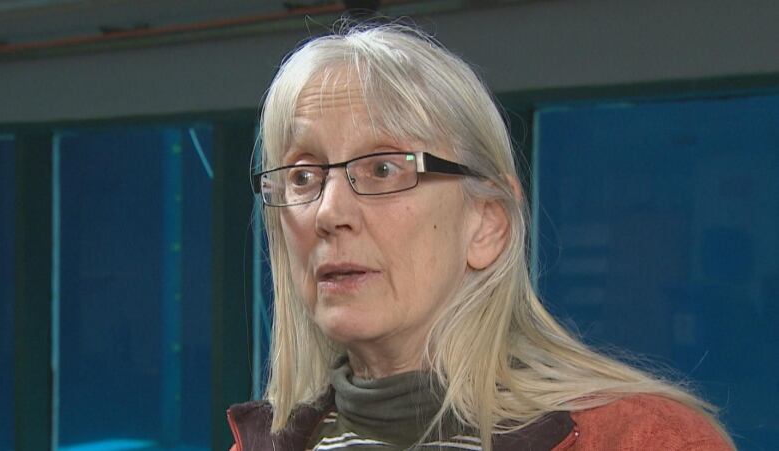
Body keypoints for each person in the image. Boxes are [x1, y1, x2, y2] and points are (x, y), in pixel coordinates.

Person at [228, 23, 734, 450]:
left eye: (383, 167)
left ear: (487, 224)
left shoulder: (648, 439)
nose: (329, 210)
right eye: (302, 176)